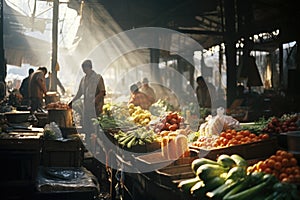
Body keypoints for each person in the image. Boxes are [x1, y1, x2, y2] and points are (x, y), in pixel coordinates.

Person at [68, 59, 106, 145]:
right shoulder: (83, 79)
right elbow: (79, 93)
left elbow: (102, 92)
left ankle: (97, 147)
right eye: (83, 69)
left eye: (85, 68)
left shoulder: (98, 78)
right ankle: (89, 145)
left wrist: (95, 100)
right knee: (87, 128)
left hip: (96, 108)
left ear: (89, 67)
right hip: (86, 107)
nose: (84, 70)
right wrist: (71, 102)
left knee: (95, 128)